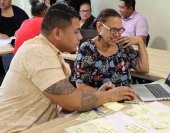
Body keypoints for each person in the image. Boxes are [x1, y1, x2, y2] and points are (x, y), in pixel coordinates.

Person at [0, 3, 136, 132]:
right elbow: (73, 101)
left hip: (40, 126)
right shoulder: (38, 52)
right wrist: (109, 95)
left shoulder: (49, 51)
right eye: (76, 32)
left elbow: (66, 100)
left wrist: (98, 95)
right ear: (57, 33)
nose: (80, 36)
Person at [72, 8, 149, 91]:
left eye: (120, 30)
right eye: (113, 30)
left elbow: (144, 69)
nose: (117, 35)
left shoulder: (123, 45)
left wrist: (140, 42)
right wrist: (109, 95)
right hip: (101, 101)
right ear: (99, 27)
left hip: (126, 99)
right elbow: (81, 87)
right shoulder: (87, 49)